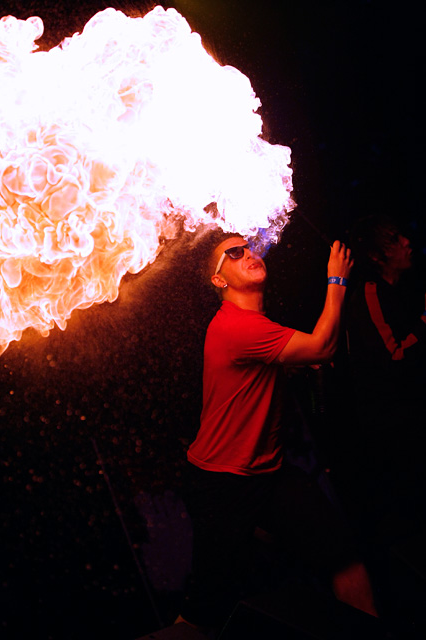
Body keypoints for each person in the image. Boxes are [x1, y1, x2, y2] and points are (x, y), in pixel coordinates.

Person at [175, 231, 378, 636]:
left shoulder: (255, 324)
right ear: (219, 280)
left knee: (345, 558)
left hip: (268, 472)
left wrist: (290, 366)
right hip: (223, 481)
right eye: (234, 254)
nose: (249, 253)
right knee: (203, 612)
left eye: (248, 246)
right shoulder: (236, 327)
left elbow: (267, 363)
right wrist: (336, 280)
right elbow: (322, 346)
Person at [343, 215, 426, 551]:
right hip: (390, 430)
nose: (407, 242)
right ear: (377, 256)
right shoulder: (370, 292)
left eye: (402, 236)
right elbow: (393, 357)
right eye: (394, 240)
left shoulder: (405, 290)